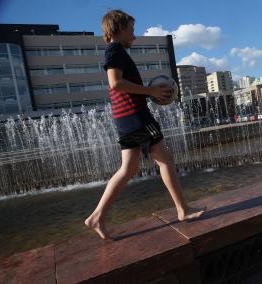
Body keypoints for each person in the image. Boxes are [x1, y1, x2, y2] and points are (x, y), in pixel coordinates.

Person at [85, 10, 205, 240]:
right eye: (131, 30)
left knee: (127, 169)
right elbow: (116, 83)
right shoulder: (115, 51)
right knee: (165, 160)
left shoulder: (115, 51)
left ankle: (97, 217)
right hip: (136, 117)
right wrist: (150, 91)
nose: (134, 36)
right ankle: (183, 210)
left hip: (124, 120)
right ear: (119, 29)